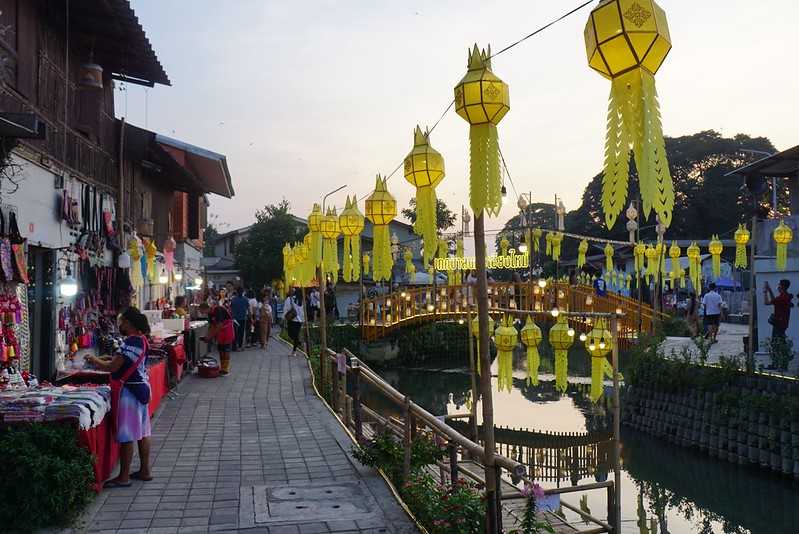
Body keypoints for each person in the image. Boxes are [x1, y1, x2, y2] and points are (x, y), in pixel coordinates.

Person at [85, 307, 152, 487]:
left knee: (128, 434)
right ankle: (145, 470)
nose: (119, 324)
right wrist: (109, 359)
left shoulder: (131, 342)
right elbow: (121, 362)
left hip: (130, 393)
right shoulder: (142, 340)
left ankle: (124, 476)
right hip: (142, 389)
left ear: (128, 323)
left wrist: (94, 360)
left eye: (121, 321)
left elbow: (113, 368)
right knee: (143, 432)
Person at [200, 301, 235, 374]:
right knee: (221, 349)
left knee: (225, 350)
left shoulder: (217, 310)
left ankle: (225, 369)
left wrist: (210, 337)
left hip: (227, 330)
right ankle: (222, 368)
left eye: (202, 311)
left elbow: (219, 325)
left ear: (206, 308)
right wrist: (207, 336)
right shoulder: (210, 314)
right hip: (220, 332)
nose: (201, 313)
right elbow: (212, 326)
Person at [283, 288, 305, 356]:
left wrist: (284, 318)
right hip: (297, 320)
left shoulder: (291, 299)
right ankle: (298, 346)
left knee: (292, 335)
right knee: (295, 335)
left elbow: (286, 309)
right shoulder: (300, 300)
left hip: (294, 320)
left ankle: (295, 350)